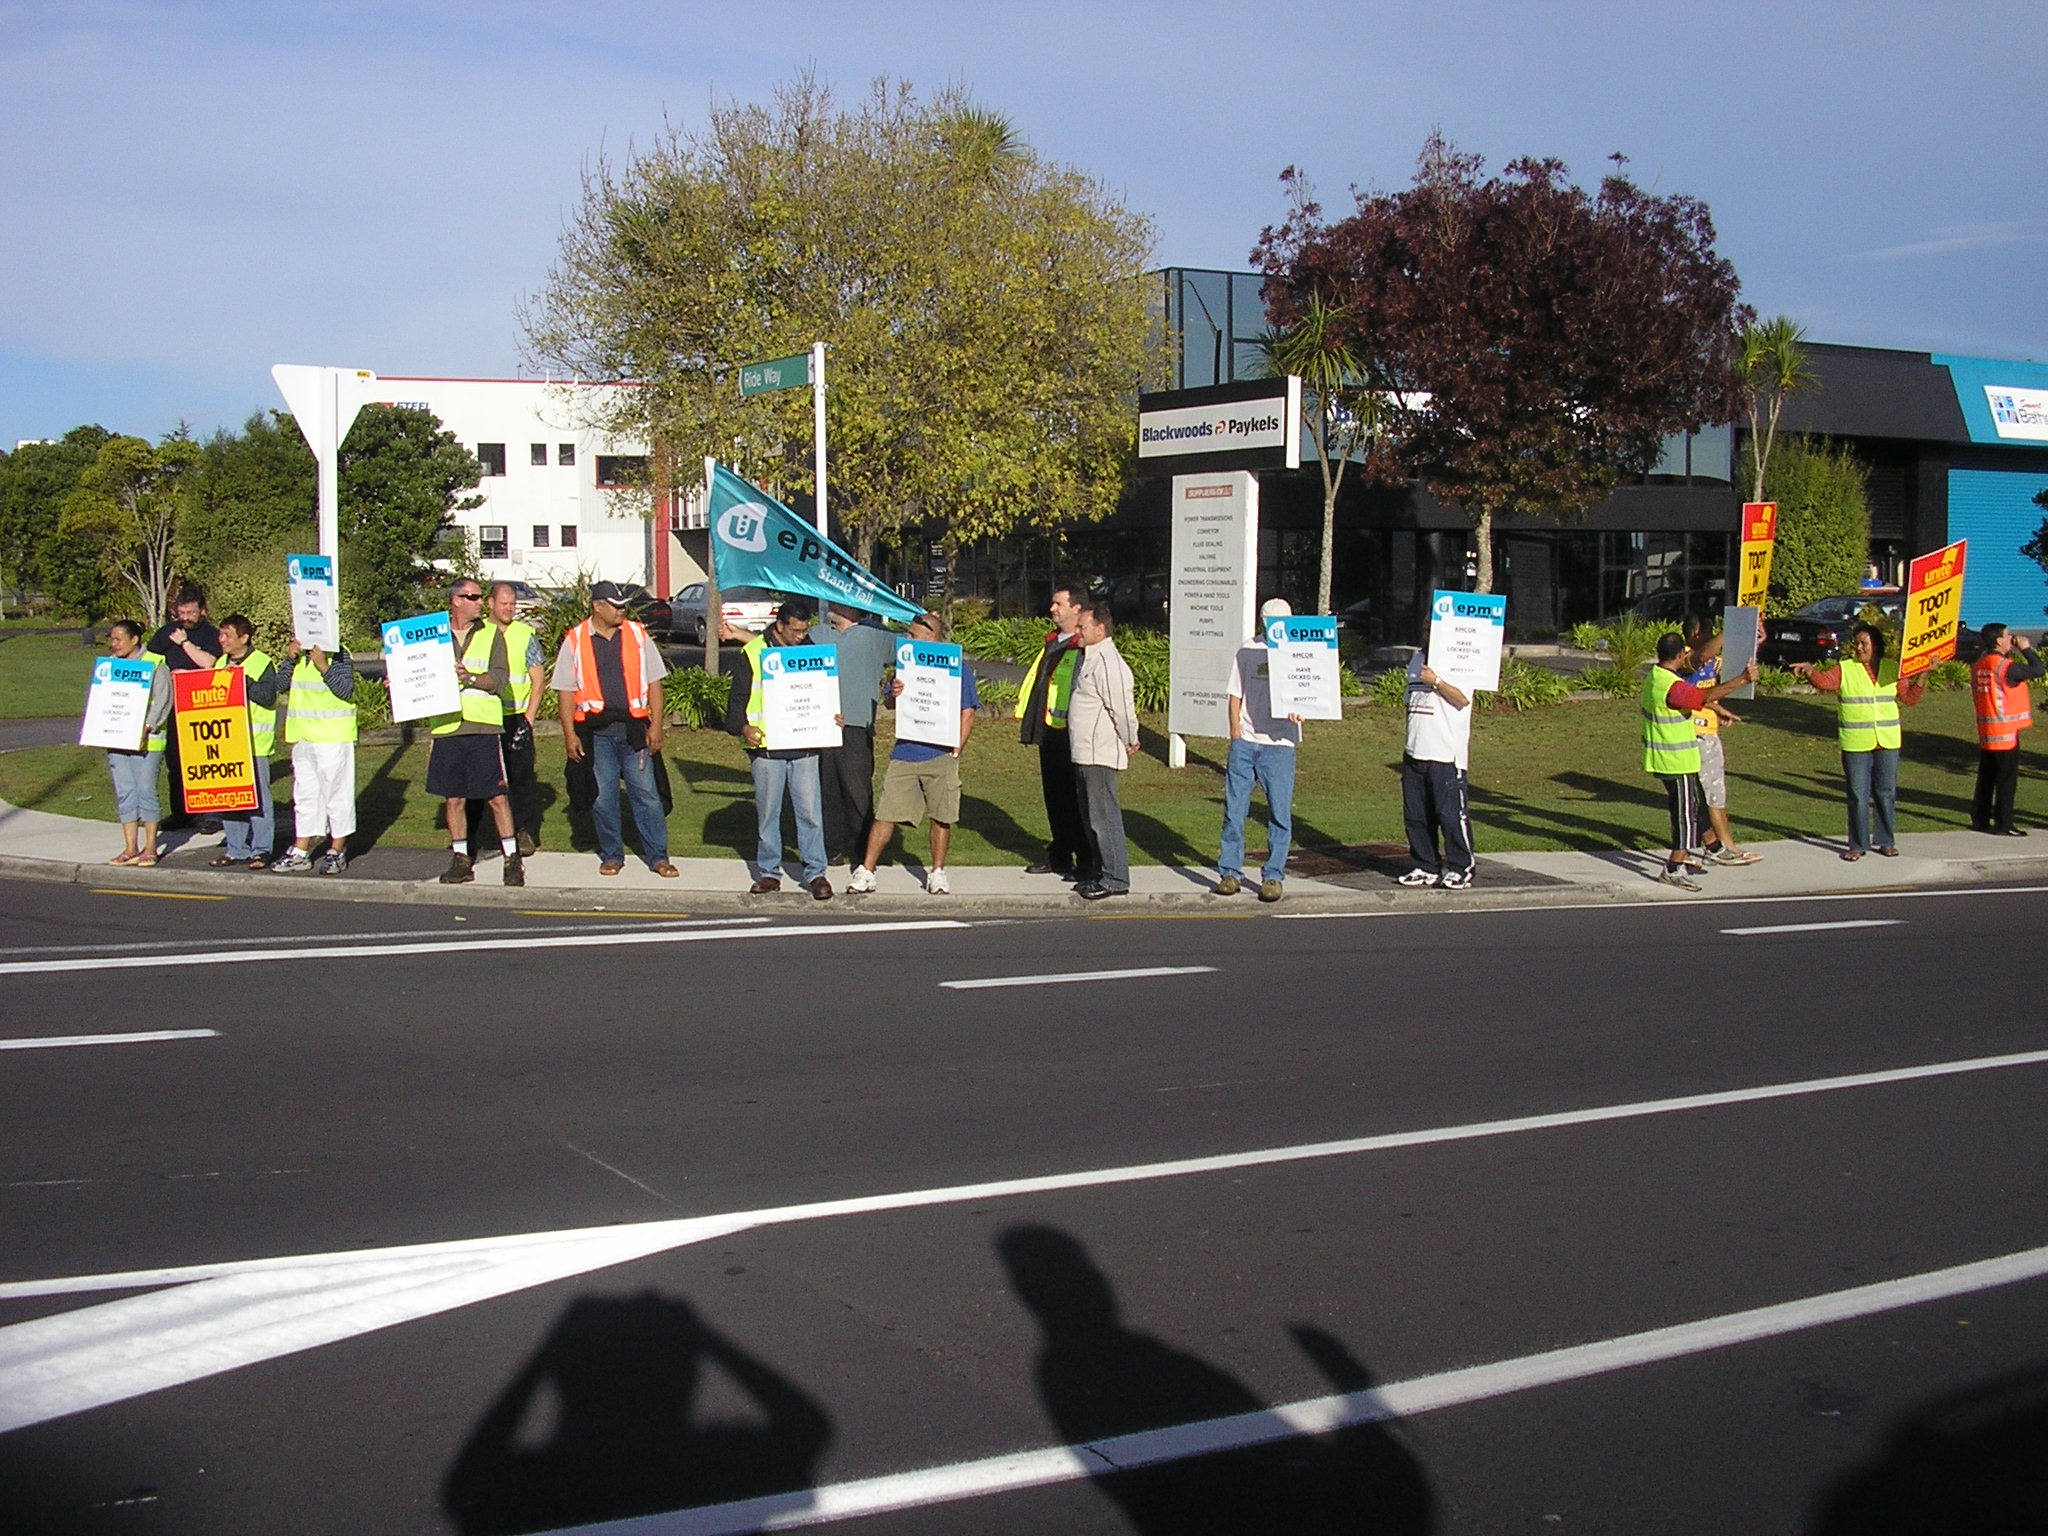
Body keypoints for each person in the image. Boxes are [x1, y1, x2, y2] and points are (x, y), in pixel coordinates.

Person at [847, 611, 979, 895]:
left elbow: (967, 711)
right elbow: (891, 705)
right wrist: (893, 693)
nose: (907, 639)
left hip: (941, 753)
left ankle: (938, 873)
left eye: (913, 635)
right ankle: (867, 871)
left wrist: (958, 747)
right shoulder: (904, 667)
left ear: (931, 637)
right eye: (907, 634)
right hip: (905, 751)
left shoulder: (956, 667)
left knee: (941, 815)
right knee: (886, 813)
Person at [552, 580, 676, 878]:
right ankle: (611, 855)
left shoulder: (637, 635)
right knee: (603, 795)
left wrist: (656, 725)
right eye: (615, 605)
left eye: (623, 605)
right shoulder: (576, 639)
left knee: (646, 794)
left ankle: (658, 857)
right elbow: (565, 692)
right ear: (597, 606)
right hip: (596, 733)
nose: (622, 611)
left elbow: (655, 683)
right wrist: (569, 735)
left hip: (634, 730)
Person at [724, 600, 839, 898]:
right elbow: (736, 703)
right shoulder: (752, 653)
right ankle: (769, 873)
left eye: (804, 630)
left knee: (810, 815)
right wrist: (744, 728)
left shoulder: (812, 653)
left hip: (804, 749)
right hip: (767, 749)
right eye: (796, 630)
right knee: (767, 815)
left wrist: (832, 717)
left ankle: (816, 874)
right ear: (780, 626)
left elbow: (824, 695)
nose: (801, 636)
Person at [1791, 623, 1925, 861]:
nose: (1858, 647)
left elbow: (1910, 699)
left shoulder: (1893, 669)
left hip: (1887, 741)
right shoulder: (1845, 669)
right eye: (1856, 643)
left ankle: (1886, 840)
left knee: (1886, 793)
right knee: (1857, 794)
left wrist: (1924, 674)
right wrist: (1810, 671)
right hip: (1856, 743)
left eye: (1864, 643)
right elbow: (1825, 682)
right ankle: (1857, 844)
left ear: (1876, 645)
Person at [1642, 631, 1757, 890]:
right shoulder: (1672, 687)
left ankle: (1713, 847)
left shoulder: (1656, 677)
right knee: (1685, 815)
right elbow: (1701, 697)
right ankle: (1674, 866)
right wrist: (1742, 679)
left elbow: (1693, 701)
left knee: (1696, 806)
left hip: (1674, 759)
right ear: (1679, 656)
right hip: (1675, 760)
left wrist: (1718, 708)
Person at [427, 579, 522, 887]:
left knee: (496, 795)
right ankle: (460, 860)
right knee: (454, 797)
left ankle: (511, 858)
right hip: (448, 726)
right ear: (456, 600)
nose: (480, 602)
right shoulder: (433, 633)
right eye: (473, 597)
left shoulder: (491, 634)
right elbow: (417, 671)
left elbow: (499, 679)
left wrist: (469, 678)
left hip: (483, 726)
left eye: (481, 597)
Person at [1215, 597, 1301, 903]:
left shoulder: (1298, 653)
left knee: (1279, 812)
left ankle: (1273, 876)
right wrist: (1236, 732)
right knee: (1234, 809)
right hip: (1247, 741)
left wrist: (1300, 709)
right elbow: (1235, 693)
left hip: (1279, 744)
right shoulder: (1248, 650)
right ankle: (1230, 871)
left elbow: (1310, 693)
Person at [1015, 586, 1092, 883]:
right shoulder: (1051, 641)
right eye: (1052, 604)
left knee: (1077, 799)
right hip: (1049, 731)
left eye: (1059, 604)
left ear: (1077, 609)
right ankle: (1060, 854)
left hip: (1074, 733)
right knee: (1055, 797)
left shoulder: (1083, 645)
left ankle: (1086, 860)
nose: (1052, 609)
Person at [1678, 612, 1764, 867]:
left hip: (1710, 729)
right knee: (1714, 794)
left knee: (1705, 796)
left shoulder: (1712, 661)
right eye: (1710, 634)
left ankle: (1713, 846)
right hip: (1697, 733)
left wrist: (1753, 641)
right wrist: (1731, 629)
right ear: (1696, 635)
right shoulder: (1683, 657)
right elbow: (1699, 661)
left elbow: (1714, 686)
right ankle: (1728, 848)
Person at [1068, 601, 1140, 901]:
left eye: (1083, 626)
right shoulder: (1090, 658)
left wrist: (1130, 738)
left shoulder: (1109, 662)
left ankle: (1115, 877)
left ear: (1100, 629)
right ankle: (1100, 870)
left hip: (1100, 753)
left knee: (1103, 817)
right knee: (1089, 816)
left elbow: (1122, 709)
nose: (1078, 631)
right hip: (1084, 752)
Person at [197, 614, 279, 870]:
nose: (222, 640)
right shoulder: (220, 662)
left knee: (259, 801)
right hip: (228, 745)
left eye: (227, 635)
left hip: (254, 744)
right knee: (230, 798)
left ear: (244, 638)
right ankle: (236, 849)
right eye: (221, 635)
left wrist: (243, 682)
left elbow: (268, 696)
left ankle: (262, 849)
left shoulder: (262, 662)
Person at [272, 634, 357, 874]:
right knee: (305, 797)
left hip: (332, 736)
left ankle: (337, 850)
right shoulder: (300, 655)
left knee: (337, 797)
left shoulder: (339, 653)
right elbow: (278, 686)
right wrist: (289, 659)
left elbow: (345, 690)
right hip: (304, 737)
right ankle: (300, 850)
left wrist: (323, 666)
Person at [1397, 640, 1475, 890]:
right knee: (1416, 816)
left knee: (1451, 816)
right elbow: (1408, 700)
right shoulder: (1417, 659)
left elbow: (1462, 699)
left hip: (1445, 753)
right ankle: (1425, 865)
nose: (1427, 632)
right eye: (1426, 626)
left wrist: (1437, 682)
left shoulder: (1459, 660)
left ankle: (1461, 867)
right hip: (1415, 749)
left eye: (1432, 627)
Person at [820, 604, 893, 866]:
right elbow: (778, 647)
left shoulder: (876, 636)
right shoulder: (818, 634)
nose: (830, 605)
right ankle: (831, 850)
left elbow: (916, 652)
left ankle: (866, 852)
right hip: (822, 726)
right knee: (827, 790)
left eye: (837, 601)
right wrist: (738, 634)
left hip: (857, 727)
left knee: (857, 792)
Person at [145, 583, 222, 828]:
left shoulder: (211, 635)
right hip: (172, 706)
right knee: (175, 761)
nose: (186, 618)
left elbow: (210, 663)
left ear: (202, 611)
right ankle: (181, 813)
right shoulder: (166, 633)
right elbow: (149, 660)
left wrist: (185, 643)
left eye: (191, 613)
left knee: (203, 761)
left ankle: (208, 815)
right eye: (182, 613)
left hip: (202, 707)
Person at [98, 620, 171, 867]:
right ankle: (130, 848)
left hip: (148, 742)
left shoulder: (155, 663)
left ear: (134, 640)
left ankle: (150, 847)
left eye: (119, 639)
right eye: (112, 639)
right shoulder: (110, 666)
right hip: (118, 740)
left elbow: (163, 701)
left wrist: (146, 727)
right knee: (125, 792)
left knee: (146, 791)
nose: (114, 644)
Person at [488, 579, 548, 856]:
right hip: (485, 717)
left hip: (516, 717)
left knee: (522, 778)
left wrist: (529, 719)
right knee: (488, 779)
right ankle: (492, 833)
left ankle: (525, 831)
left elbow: (538, 679)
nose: (510, 608)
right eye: (504, 603)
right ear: (490, 604)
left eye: (513, 603)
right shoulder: (479, 633)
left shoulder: (524, 635)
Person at [1970, 623, 2043, 836]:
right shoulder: (2004, 666)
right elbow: (2038, 669)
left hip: (1987, 730)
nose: (2010, 638)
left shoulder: (1980, 664)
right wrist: (2026, 649)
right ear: (1997, 640)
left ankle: (1981, 819)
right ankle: (2004, 824)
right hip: (2006, 731)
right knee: (2006, 781)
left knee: (1986, 777)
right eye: (2007, 635)